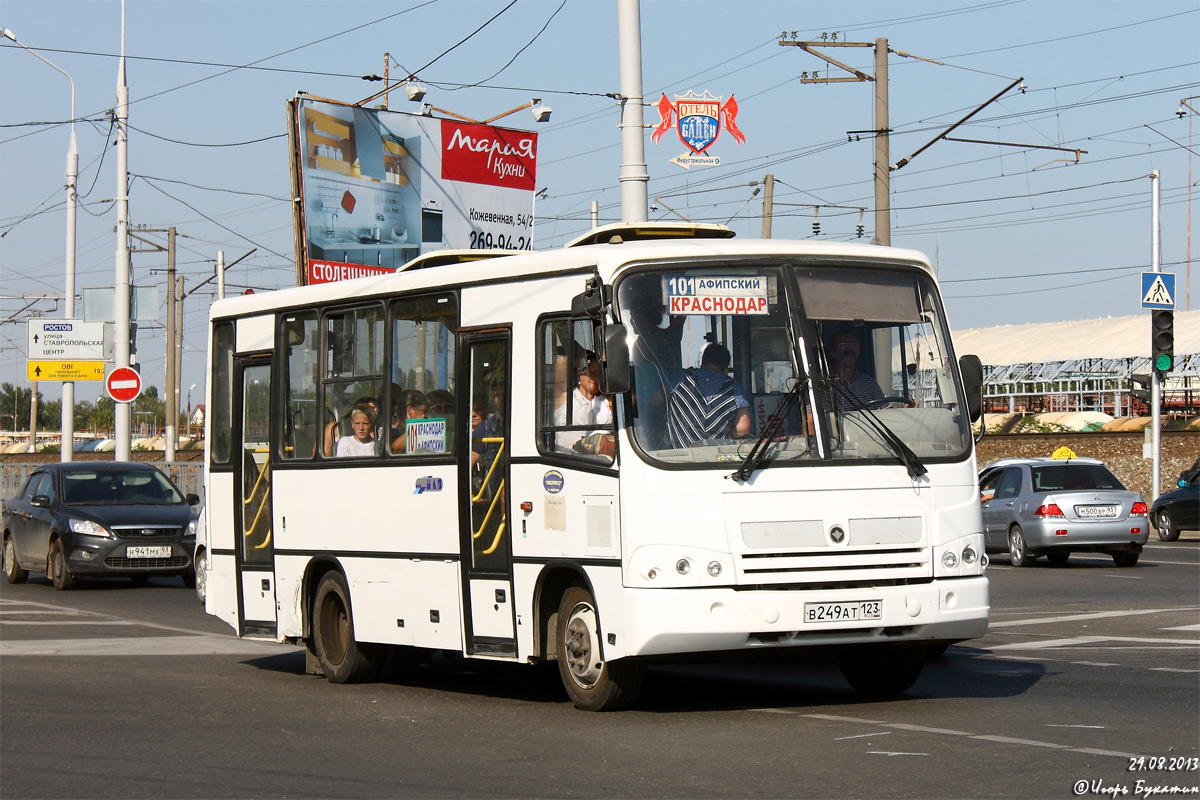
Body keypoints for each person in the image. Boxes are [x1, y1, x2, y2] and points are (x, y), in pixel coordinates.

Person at [665, 343, 751, 448]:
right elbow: (743, 428)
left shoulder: (682, 377)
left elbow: (657, 399)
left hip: (680, 458)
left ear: (702, 361)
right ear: (725, 367)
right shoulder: (734, 388)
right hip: (716, 457)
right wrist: (727, 432)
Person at [554, 353, 614, 453]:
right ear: (580, 373)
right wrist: (588, 356)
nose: (595, 378)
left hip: (603, 462)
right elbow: (562, 360)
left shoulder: (607, 400)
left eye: (600, 375)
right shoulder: (565, 396)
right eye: (591, 372)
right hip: (570, 461)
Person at [826, 329, 885, 411]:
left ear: (859, 351)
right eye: (843, 344)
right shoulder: (821, 385)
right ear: (833, 352)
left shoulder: (869, 383)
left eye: (853, 344)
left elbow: (886, 413)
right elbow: (810, 420)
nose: (849, 349)